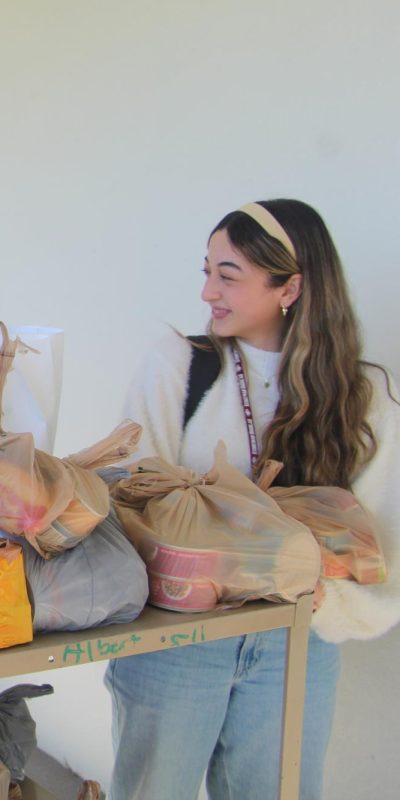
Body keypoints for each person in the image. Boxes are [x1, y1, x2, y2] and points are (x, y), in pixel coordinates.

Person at [105, 199, 400, 799]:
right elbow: (132, 497)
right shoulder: (178, 367)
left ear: (289, 286)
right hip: (178, 642)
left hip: (296, 639)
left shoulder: (362, 399)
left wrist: (327, 597)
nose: (208, 292)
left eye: (228, 275)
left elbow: (381, 540)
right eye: (207, 270)